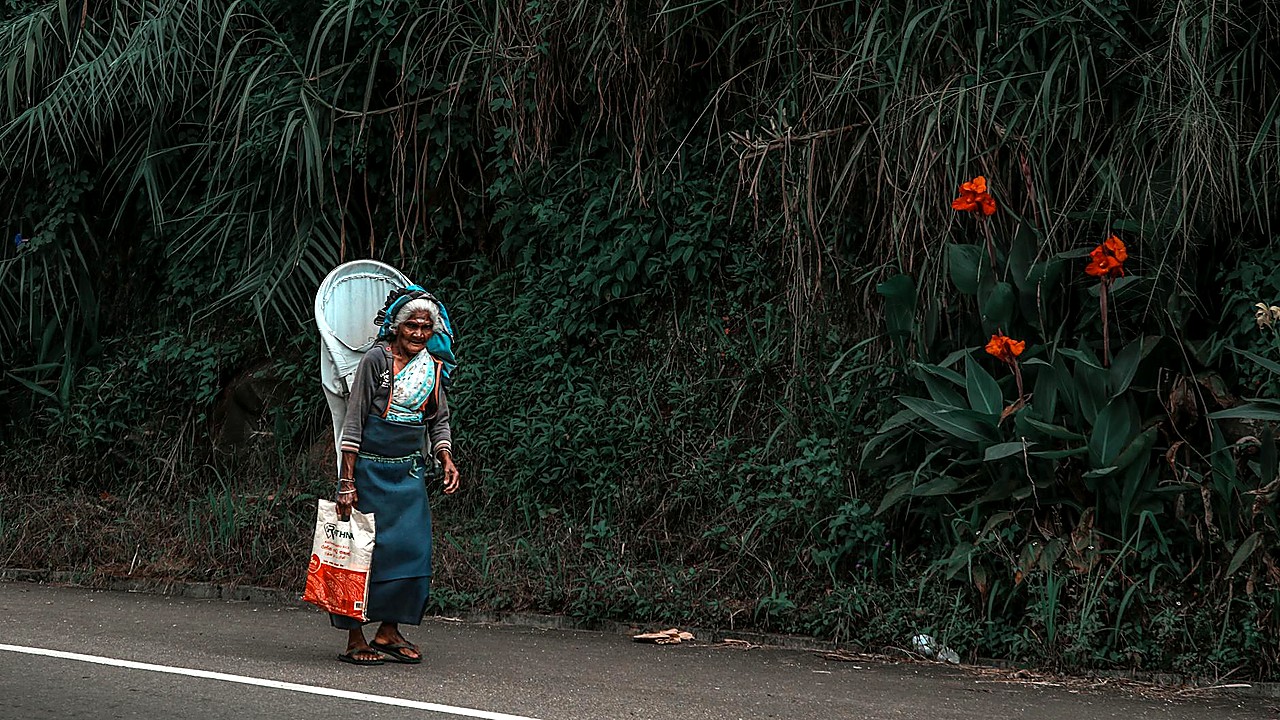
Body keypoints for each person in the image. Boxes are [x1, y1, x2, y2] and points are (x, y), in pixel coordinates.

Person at [333, 286, 460, 665]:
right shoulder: (376, 361)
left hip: (408, 474)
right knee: (360, 553)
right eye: (411, 326)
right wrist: (346, 482)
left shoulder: (433, 367)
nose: (418, 334)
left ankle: (388, 631)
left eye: (425, 327)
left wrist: (446, 456)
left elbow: (438, 420)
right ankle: (356, 638)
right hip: (369, 471)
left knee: (411, 552)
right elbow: (354, 421)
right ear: (396, 326)